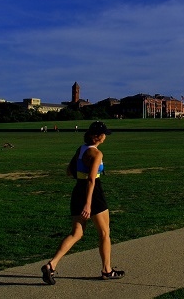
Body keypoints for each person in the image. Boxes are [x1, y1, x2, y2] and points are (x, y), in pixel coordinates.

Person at [42, 121, 124, 284]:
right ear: (97, 136)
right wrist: (88, 204)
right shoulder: (97, 154)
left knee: (76, 233)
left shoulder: (81, 149)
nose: (105, 136)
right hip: (93, 194)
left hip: (77, 190)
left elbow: (68, 171)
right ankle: (107, 270)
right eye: (104, 134)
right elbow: (92, 180)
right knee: (104, 233)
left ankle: (51, 265)